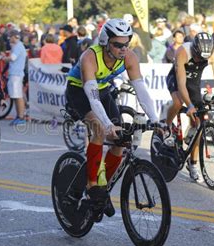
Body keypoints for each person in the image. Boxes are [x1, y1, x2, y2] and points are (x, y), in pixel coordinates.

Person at [66, 18, 159, 219]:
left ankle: (102, 189)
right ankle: (92, 185)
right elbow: (91, 98)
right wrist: (107, 125)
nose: (123, 49)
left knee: (121, 140)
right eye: (118, 44)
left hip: (103, 92)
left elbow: (141, 91)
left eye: (127, 44)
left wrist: (156, 119)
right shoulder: (90, 57)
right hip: (79, 92)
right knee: (99, 129)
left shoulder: (129, 57)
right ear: (105, 41)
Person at [164, 32, 214, 182]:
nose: (201, 60)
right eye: (199, 57)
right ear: (194, 50)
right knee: (178, 103)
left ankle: (192, 164)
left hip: (193, 83)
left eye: (203, 58)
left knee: (200, 124)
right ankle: (166, 126)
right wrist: (190, 105)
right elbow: (181, 85)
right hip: (177, 79)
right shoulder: (182, 51)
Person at [4, 30, 28, 125]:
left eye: (10, 37)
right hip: (15, 74)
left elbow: (12, 58)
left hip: (16, 74)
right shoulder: (18, 46)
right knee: (16, 96)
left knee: (18, 96)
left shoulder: (18, 46)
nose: (9, 39)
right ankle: (19, 116)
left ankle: (21, 117)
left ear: (15, 37)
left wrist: (3, 58)